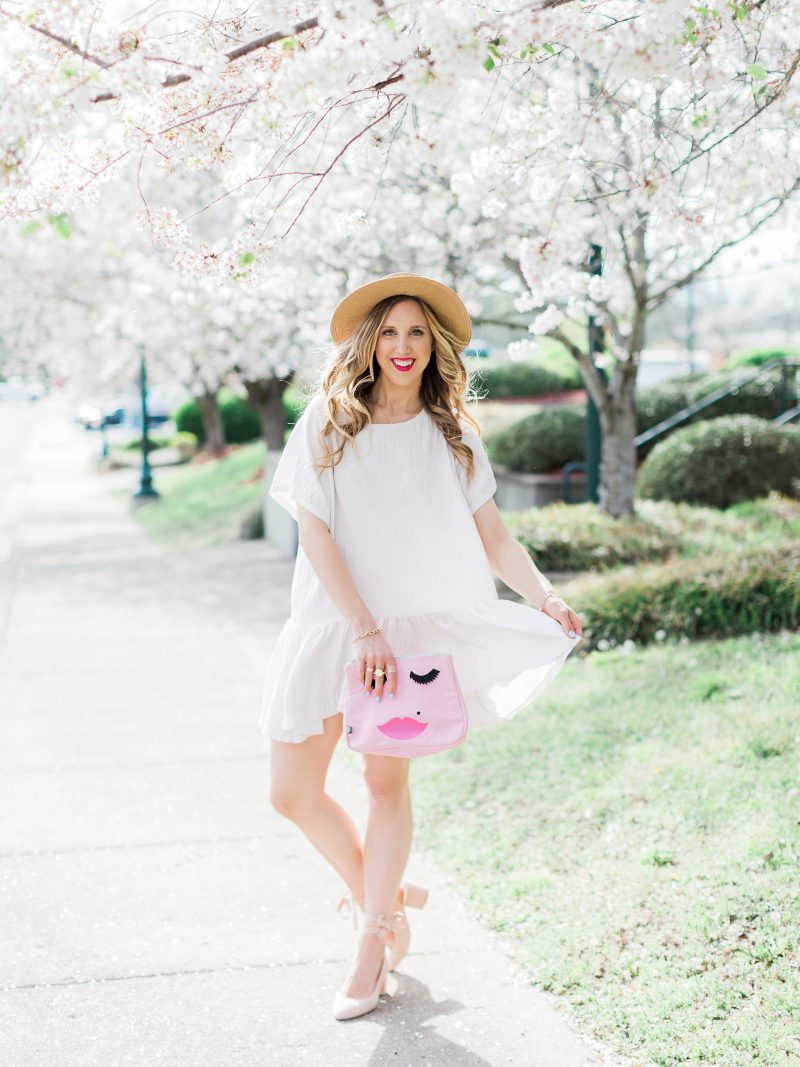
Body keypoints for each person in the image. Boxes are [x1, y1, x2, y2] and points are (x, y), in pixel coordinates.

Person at [260, 272, 583, 1021]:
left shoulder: (454, 433)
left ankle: (373, 942)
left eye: (417, 333)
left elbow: (493, 534)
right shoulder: (328, 421)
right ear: (370, 342)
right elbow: (314, 530)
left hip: (408, 639)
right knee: (290, 791)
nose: (404, 347)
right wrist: (362, 626)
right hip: (335, 625)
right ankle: (389, 891)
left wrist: (545, 596)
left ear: (433, 344)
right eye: (391, 331)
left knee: (383, 787)